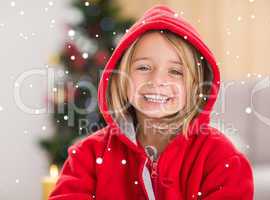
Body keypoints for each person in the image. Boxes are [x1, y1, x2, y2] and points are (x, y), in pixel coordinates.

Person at [49, 4, 254, 200]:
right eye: (144, 67)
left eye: (175, 71)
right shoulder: (87, 156)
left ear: (196, 86)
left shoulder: (221, 159)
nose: (157, 81)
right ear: (122, 76)